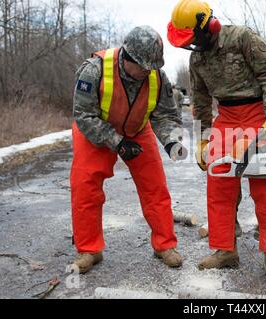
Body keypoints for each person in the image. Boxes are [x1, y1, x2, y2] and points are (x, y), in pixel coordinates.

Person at [168, 0, 266, 281]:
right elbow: (199, 99)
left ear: (208, 26)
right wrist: (202, 139)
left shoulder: (243, 38)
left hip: (257, 112)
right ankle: (225, 249)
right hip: (227, 118)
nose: (192, 45)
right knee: (219, 184)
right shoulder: (197, 58)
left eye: (193, 38)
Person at [71, 26, 187, 274]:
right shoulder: (94, 70)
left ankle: (164, 245)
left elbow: (166, 115)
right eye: (144, 66)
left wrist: (171, 141)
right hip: (95, 130)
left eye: (152, 67)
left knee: (155, 186)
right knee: (85, 187)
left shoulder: (156, 75)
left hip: (137, 128)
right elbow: (82, 114)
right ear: (128, 57)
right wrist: (117, 143)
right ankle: (89, 250)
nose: (148, 72)